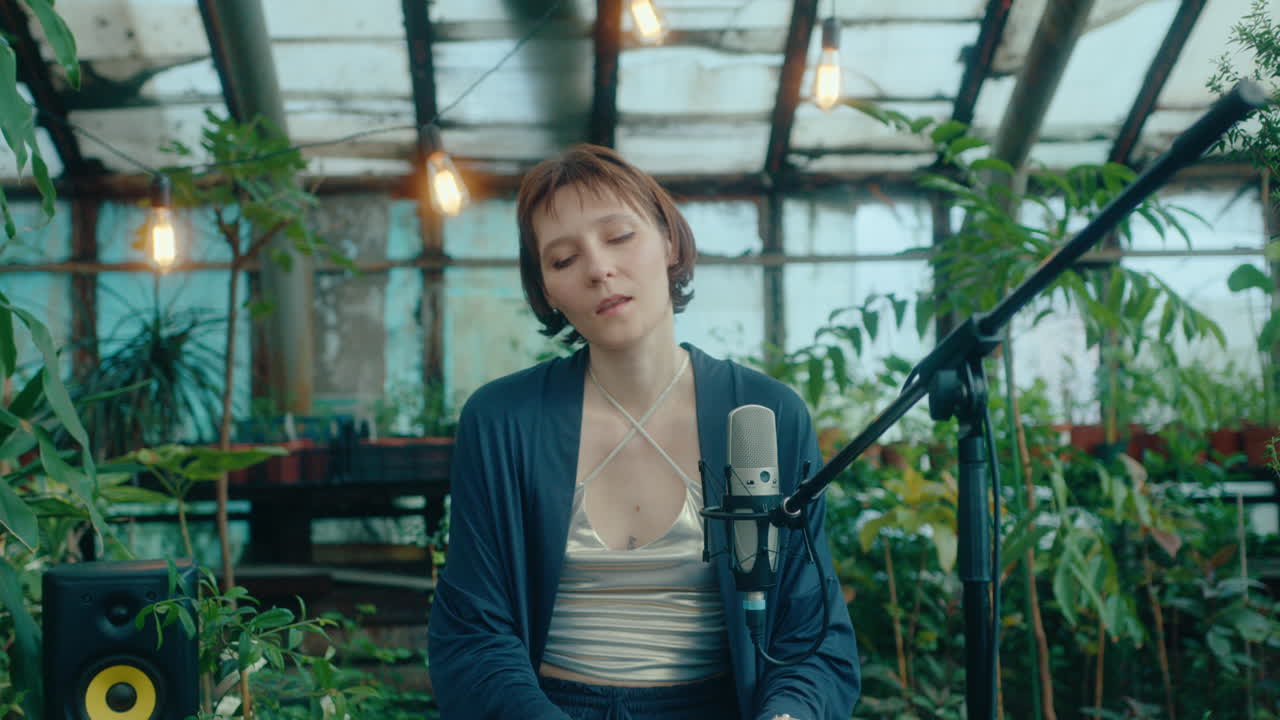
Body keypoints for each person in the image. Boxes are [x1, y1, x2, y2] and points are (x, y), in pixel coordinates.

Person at [427, 144, 860, 720]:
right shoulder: (502, 421)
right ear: (548, 290)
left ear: (669, 241)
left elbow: (811, 632)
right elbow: (472, 632)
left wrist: (789, 713)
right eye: (563, 260)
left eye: (619, 236)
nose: (598, 269)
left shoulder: (765, 414)